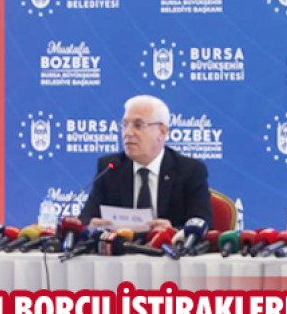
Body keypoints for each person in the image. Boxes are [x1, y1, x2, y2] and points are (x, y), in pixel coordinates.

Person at [79, 95, 212, 229]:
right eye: (124, 125)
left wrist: (173, 231)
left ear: (162, 132)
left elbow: (202, 224)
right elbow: (85, 218)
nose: (128, 133)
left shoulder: (190, 171)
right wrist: (90, 225)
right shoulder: (110, 167)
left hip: (168, 242)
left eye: (138, 125)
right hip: (121, 242)